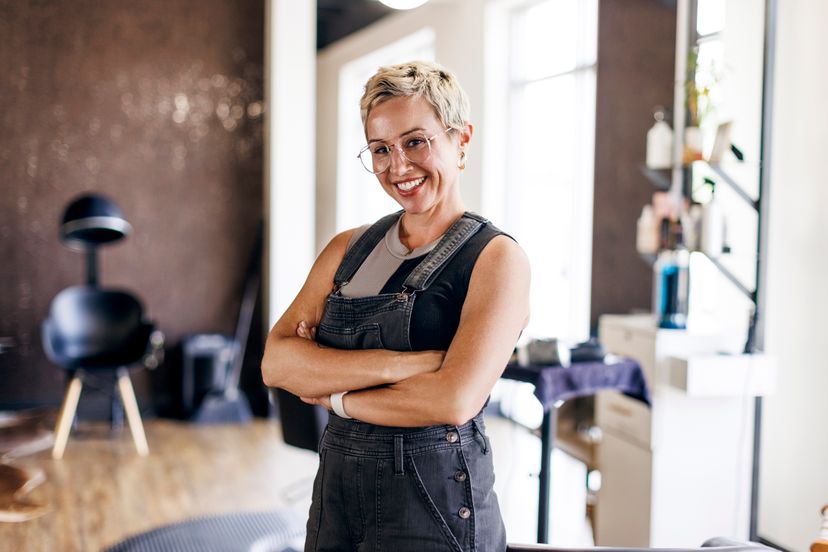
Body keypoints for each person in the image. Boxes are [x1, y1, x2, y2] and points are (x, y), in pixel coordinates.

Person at [261, 60, 530, 552]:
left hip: (434, 507)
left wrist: (335, 394)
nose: (398, 166)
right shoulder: (348, 248)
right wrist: (406, 366)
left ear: (461, 140)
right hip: (337, 500)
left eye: (415, 142)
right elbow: (277, 362)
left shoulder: (496, 260)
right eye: (380, 149)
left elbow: (452, 400)